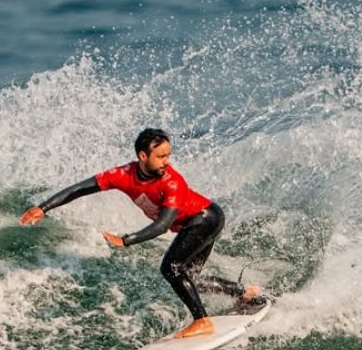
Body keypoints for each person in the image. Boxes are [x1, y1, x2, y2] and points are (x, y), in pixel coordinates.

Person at [20, 128, 260, 338]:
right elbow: (80, 188)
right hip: (199, 220)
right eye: (161, 156)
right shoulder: (122, 175)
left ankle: (202, 321)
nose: (166, 162)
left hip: (205, 219)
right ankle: (244, 293)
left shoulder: (172, 182)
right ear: (143, 156)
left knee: (171, 268)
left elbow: (162, 225)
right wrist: (43, 207)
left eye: (168, 155)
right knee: (188, 277)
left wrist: (127, 240)